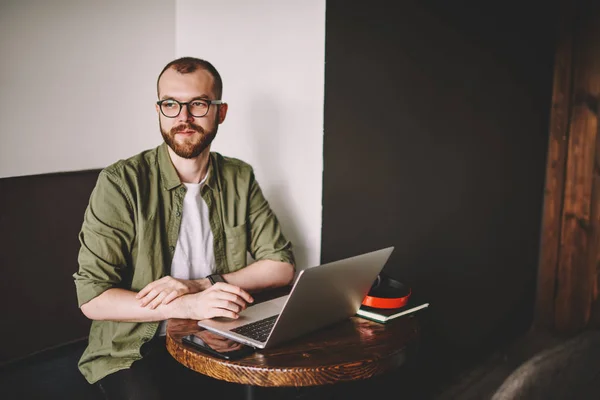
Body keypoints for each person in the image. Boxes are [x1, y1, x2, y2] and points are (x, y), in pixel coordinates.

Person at [73, 57, 296, 399]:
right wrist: (187, 305)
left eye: (198, 104)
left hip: (218, 331)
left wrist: (199, 285)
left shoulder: (238, 176)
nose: (184, 117)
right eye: (171, 104)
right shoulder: (120, 183)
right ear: (159, 109)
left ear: (220, 112)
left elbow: (281, 265)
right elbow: (93, 298)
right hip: (135, 347)